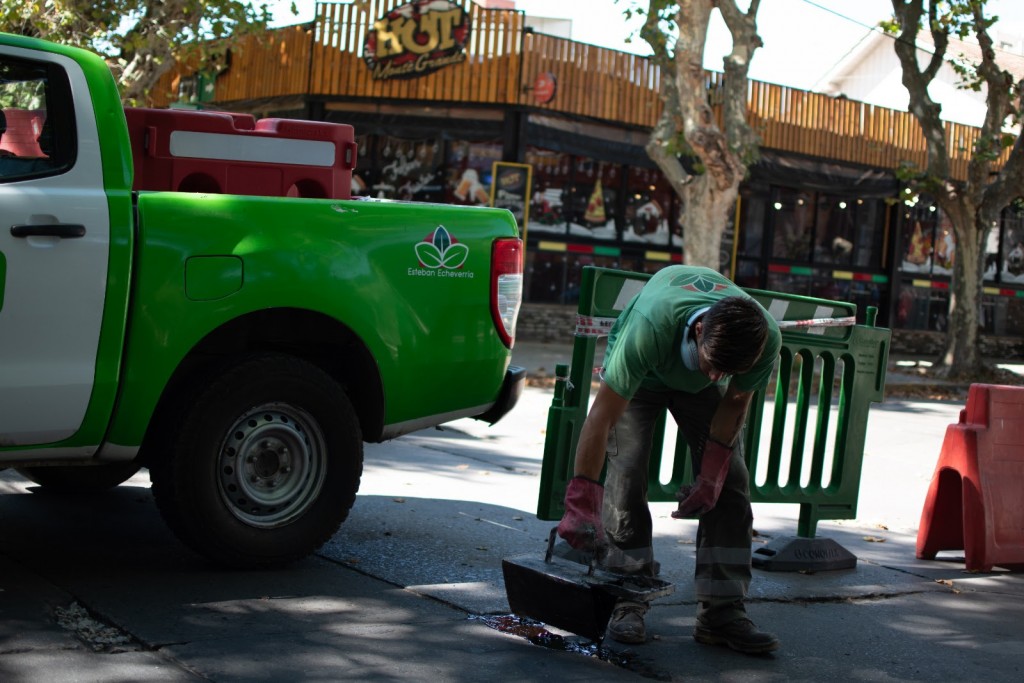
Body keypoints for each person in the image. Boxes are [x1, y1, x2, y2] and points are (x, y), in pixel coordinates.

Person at [556, 264, 782, 654]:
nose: (717, 377)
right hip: (644, 378)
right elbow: (602, 416)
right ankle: (627, 597)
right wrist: (580, 502)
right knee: (625, 475)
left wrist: (710, 476)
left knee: (732, 484)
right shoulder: (649, 327)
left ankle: (722, 614)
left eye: (727, 371)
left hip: (689, 374)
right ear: (698, 332)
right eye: (714, 364)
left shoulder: (764, 338)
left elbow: (736, 400)